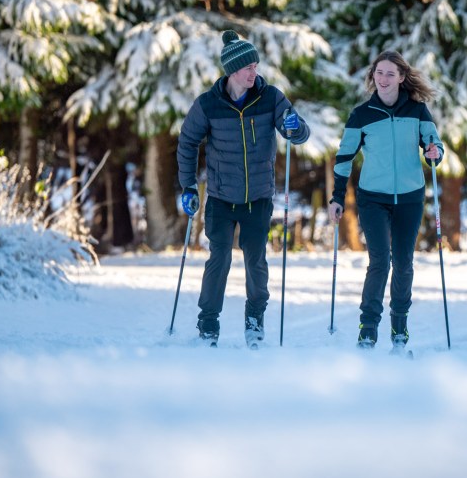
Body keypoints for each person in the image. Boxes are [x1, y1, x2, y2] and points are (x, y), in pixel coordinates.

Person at [177, 30, 310, 346]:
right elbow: (187, 142)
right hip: (221, 197)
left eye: (255, 66)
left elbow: (299, 133)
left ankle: (255, 321)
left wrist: (296, 128)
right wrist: (189, 186)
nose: (254, 72)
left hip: (258, 197)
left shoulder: (271, 97)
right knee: (219, 258)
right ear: (232, 70)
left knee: (255, 260)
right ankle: (208, 325)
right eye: (248, 67)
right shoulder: (208, 104)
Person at [328, 50, 444, 349]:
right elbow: (344, 159)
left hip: (409, 197)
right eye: (379, 73)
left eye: (390, 73)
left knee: (404, 262)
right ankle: (368, 327)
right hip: (373, 199)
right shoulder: (361, 115)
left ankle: (400, 327)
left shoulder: (417, 111)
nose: (383, 79)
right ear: (373, 77)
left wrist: (434, 154)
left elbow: (435, 146)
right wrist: (337, 197)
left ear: (402, 78)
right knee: (379, 261)